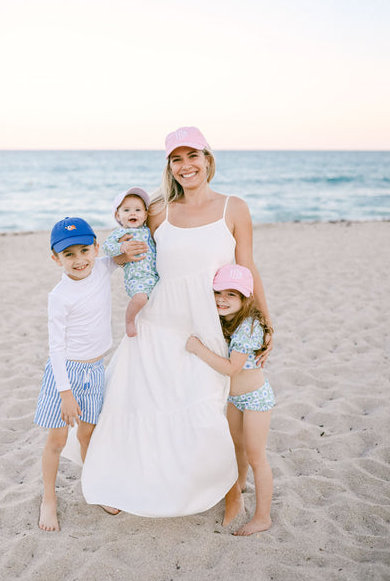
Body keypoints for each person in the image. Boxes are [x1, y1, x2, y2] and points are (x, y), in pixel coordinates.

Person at [72, 126, 272, 524]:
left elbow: (246, 268)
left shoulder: (234, 207)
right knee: (144, 403)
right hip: (159, 322)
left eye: (192, 156)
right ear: (170, 166)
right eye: (176, 159)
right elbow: (133, 254)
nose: (186, 166)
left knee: (210, 408)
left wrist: (265, 322)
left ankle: (231, 493)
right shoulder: (159, 209)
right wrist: (125, 255)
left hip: (207, 324)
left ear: (207, 159)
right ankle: (132, 481)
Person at [34, 216, 142, 531]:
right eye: (69, 254)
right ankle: (49, 499)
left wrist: (131, 248)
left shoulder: (101, 267)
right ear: (56, 259)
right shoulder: (59, 297)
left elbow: (120, 258)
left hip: (95, 370)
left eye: (84, 250)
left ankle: (96, 488)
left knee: (88, 435)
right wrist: (65, 394)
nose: (79, 260)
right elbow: (55, 349)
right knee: (56, 440)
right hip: (64, 375)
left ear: (95, 248)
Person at [186, 264, 274, 535]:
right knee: (237, 446)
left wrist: (197, 349)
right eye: (218, 293)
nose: (222, 299)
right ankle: (241, 484)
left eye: (231, 295)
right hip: (235, 399)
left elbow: (232, 368)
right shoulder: (226, 318)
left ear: (245, 298)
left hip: (255, 399)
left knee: (257, 456)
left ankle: (263, 517)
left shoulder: (248, 326)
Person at [102, 187, 159, 337]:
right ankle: (129, 320)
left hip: (154, 277)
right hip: (136, 278)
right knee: (140, 298)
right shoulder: (121, 233)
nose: (132, 213)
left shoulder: (148, 231)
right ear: (118, 216)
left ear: (145, 215)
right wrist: (121, 246)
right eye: (126, 210)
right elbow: (107, 247)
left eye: (138, 210)